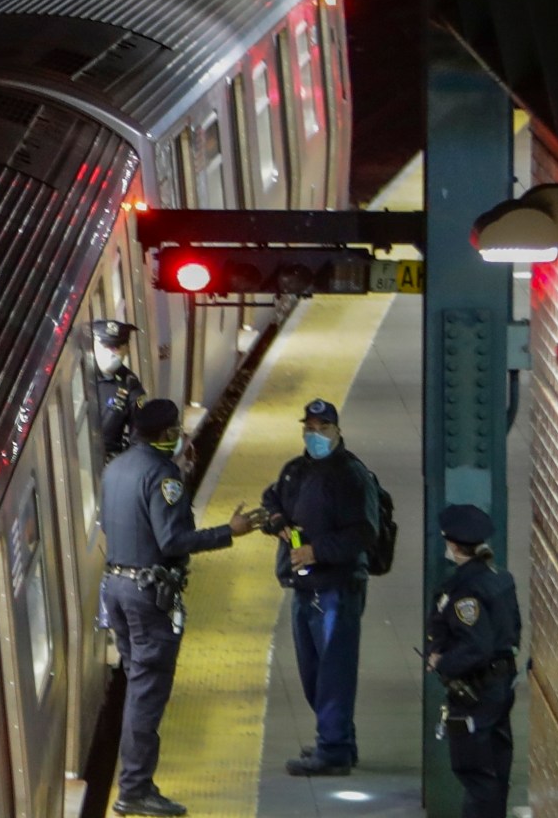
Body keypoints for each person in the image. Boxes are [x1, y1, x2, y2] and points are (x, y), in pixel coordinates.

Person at [100, 398, 264, 817]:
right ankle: (135, 789)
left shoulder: (115, 467)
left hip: (116, 588)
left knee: (138, 684)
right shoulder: (162, 475)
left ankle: (134, 783)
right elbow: (172, 541)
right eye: (177, 429)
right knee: (146, 693)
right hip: (147, 595)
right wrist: (230, 531)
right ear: (167, 433)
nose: (183, 435)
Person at [260, 397, 380, 776]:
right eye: (309, 429)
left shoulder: (351, 476)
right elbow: (272, 498)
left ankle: (333, 749)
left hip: (337, 589)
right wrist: (275, 518)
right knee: (313, 671)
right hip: (304, 588)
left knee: (333, 670)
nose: (314, 436)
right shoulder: (296, 470)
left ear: (337, 431)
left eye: (322, 429)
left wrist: (316, 551)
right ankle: (338, 737)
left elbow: (365, 533)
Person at [427, 504, 519, 817]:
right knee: (497, 772)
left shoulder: (464, 591)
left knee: (476, 776)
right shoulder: (501, 579)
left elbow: (475, 646)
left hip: (475, 693)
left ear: (452, 545)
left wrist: (442, 662)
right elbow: (512, 632)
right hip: (500, 687)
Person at [91, 319, 146, 460]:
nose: (111, 353)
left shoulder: (129, 383)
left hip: (109, 460)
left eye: (116, 347)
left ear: (126, 349)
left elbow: (140, 431)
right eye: (105, 346)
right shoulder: (79, 375)